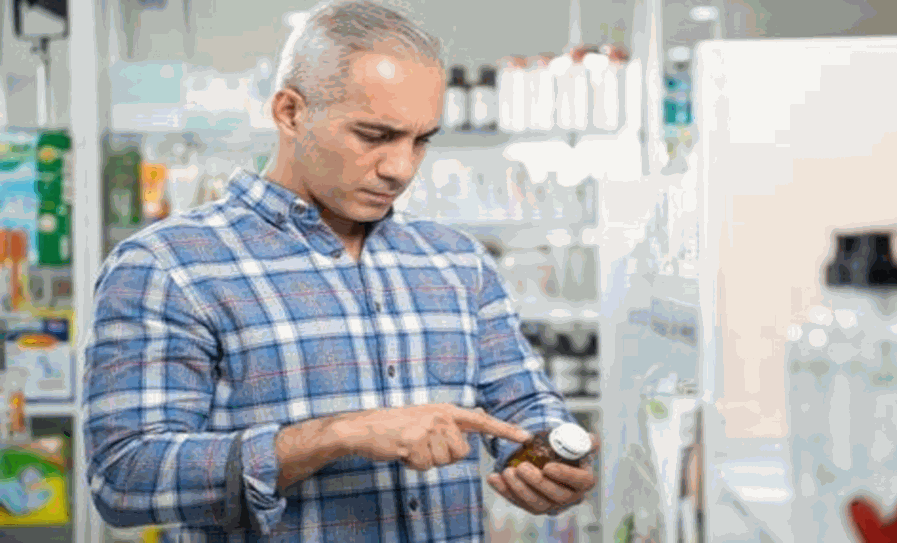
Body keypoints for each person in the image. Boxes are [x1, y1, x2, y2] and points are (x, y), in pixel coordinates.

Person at [82, 1, 597, 541]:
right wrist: (340, 435)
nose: (400, 168)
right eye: (374, 136)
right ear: (289, 112)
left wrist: (552, 457)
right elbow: (124, 479)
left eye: (420, 140)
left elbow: (524, 409)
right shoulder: (169, 266)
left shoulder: (458, 261)